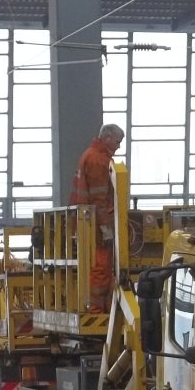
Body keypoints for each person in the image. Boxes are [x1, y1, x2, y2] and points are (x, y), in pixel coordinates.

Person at [69, 123, 124, 313]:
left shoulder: (91, 156)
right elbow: (99, 199)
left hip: (86, 222)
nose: (118, 146)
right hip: (93, 224)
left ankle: (97, 307)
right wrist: (105, 227)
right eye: (117, 141)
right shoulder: (98, 160)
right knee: (100, 267)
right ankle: (95, 309)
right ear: (107, 138)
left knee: (95, 267)